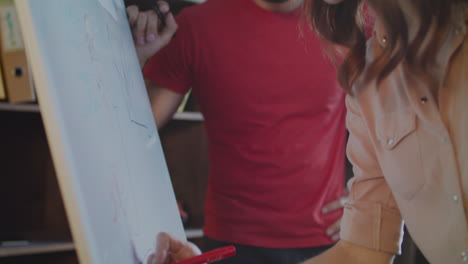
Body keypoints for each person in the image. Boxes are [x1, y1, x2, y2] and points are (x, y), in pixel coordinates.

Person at [144, 0, 468, 263]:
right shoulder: (200, 24)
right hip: (234, 237)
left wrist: (361, 207)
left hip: (325, 237)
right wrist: (368, 210)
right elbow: (139, 129)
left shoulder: (362, 33)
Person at [126, 0, 349, 263]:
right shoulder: (196, 24)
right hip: (234, 244)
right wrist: (133, 60)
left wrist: (374, 202)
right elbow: (136, 128)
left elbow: (396, 119)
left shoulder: (346, 22)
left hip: (331, 239)